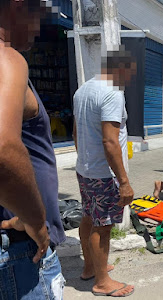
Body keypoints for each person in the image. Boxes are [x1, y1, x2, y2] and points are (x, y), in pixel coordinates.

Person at [0, 1, 66, 298]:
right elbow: (2, 148)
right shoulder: (7, 59)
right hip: (19, 251)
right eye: (39, 14)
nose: (40, 27)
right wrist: (36, 221)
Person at [73, 49, 136, 297]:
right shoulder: (112, 93)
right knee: (104, 226)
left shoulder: (83, 90)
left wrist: (84, 160)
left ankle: (90, 267)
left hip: (86, 169)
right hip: (104, 174)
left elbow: (77, 131)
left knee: (88, 217)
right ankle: (102, 282)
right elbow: (110, 141)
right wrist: (124, 182)